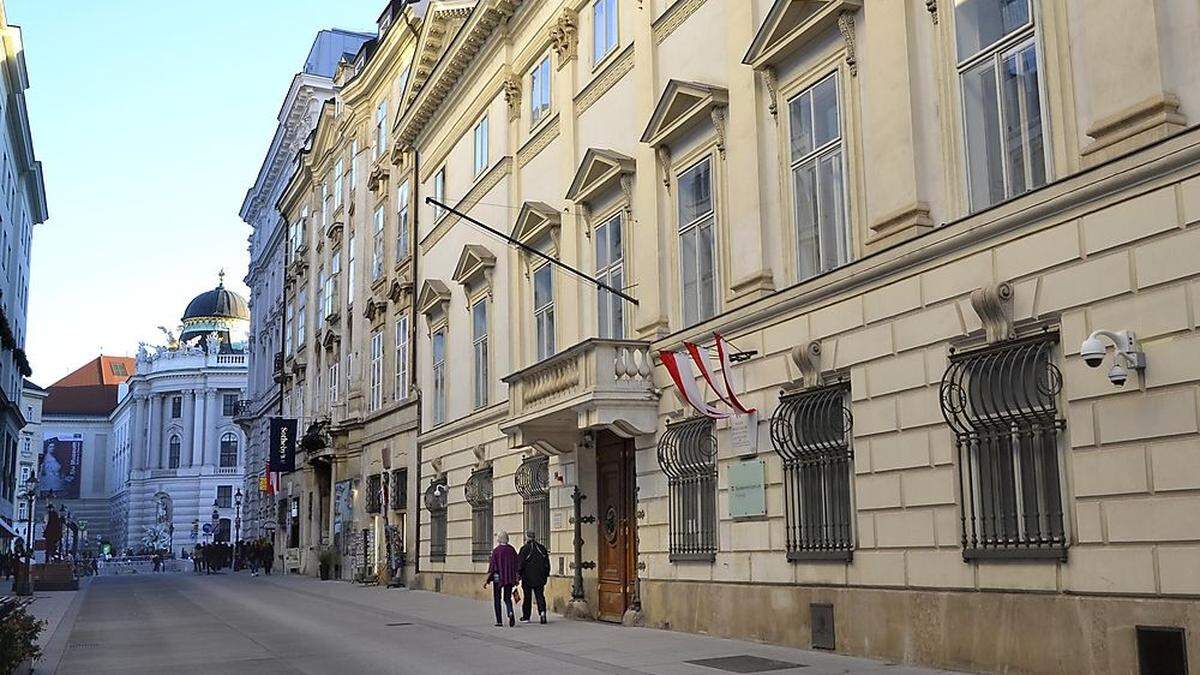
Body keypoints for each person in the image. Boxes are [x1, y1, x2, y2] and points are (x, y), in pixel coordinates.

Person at [483, 530, 519, 627]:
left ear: (499, 538)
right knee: (507, 598)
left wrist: (486, 580)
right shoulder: (512, 550)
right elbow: (516, 565)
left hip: (497, 577)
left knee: (497, 598)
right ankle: (510, 612)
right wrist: (516, 578)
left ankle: (499, 621)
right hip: (509, 577)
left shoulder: (496, 551)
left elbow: (492, 567)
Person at [517, 530, 550, 624]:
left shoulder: (524, 549)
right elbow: (547, 563)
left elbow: (520, 564)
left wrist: (518, 575)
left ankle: (526, 616)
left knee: (527, 597)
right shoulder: (542, 548)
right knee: (540, 595)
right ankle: (542, 612)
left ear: (527, 537)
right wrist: (546, 575)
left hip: (527, 577)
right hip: (540, 577)